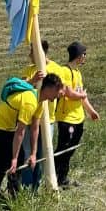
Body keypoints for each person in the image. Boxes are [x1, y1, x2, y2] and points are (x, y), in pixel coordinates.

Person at [0, 73, 64, 211]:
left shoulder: (40, 102)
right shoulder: (30, 101)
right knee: (3, 166)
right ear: (49, 89)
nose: (59, 95)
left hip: (7, 128)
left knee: (17, 162)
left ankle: (14, 199)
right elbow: (20, 132)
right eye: (58, 91)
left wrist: (32, 154)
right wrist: (13, 158)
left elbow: (35, 129)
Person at [55, 41, 100, 188]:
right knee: (63, 149)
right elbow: (69, 92)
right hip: (67, 119)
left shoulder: (78, 73)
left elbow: (81, 95)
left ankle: (62, 177)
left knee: (71, 148)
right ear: (79, 56)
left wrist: (91, 111)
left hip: (78, 118)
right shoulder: (65, 71)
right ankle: (56, 177)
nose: (85, 57)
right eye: (84, 54)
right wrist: (81, 96)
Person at [20, 39, 64, 190]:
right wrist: (32, 81)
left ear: (40, 52)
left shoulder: (56, 69)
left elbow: (62, 91)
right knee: (29, 154)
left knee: (44, 154)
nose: (29, 55)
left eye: (32, 51)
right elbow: (22, 90)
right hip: (29, 120)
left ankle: (41, 186)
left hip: (48, 120)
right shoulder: (29, 70)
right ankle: (27, 187)